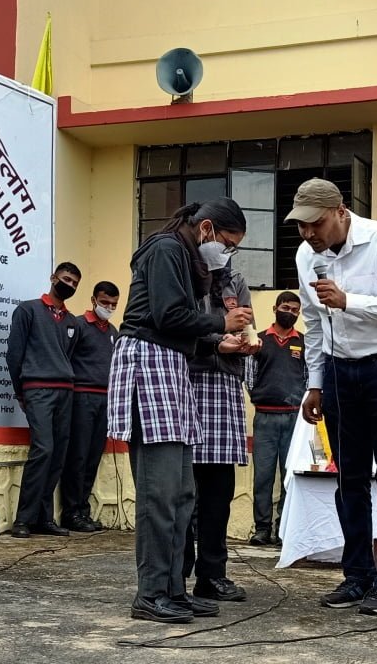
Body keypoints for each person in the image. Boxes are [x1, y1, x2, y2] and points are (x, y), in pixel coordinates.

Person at [107, 198, 252, 624]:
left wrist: (216, 341)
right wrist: (221, 325)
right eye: (227, 243)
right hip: (148, 363)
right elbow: (168, 315)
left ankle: (174, 589)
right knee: (159, 491)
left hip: (173, 366)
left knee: (182, 492)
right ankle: (151, 593)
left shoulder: (187, 257)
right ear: (206, 228)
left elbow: (179, 325)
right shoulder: (166, 248)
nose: (227, 252)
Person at [286, 178, 377, 615]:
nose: (309, 233)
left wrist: (350, 301)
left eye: (316, 223)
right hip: (339, 371)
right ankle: (357, 575)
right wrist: (315, 383)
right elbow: (312, 323)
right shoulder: (306, 255)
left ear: (340, 212)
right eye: (301, 225)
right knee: (349, 479)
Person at [184, 264, 260, 603]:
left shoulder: (236, 281)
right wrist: (217, 342)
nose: (228, 246)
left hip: (226, 384)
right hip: (188, 379)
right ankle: (176, 575)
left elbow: (247, 323)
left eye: (235, 243)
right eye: (225, 240)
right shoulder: (183, 273)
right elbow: (178, 325)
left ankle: (212, 575)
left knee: (219, 491)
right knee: (182, 490)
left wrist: (246, 341)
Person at [6, 262, 82, 539]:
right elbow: (14, 353)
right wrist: (20, 391)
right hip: (37, 388)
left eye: (74, 283)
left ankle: (44, 518)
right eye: (66, 279)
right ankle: (23, 519)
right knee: (43, 450)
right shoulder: (28, 310)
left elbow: (67, 356)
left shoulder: (72, 322)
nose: (69, 285)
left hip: (65, 391)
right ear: (53, 278)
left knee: (58, 454)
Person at [244, 291, 306, 547]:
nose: (289, 313)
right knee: (263, 477)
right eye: (285, 308)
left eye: (295, 310)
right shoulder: (258, 341)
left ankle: (284, 529)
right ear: (275, 308)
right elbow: (249, 376)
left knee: (290, 476)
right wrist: (260, 396)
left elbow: (308, 377)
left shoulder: (303, 343)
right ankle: (262, 528)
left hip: (295, 419)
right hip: (265, 418)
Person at [60, 280, 121, 533]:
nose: (109, 307)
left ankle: (83, 510)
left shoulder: (113, 332)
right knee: (78, 455)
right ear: (94, 299)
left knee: (93, 457)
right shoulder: (78, 325)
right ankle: (71, 512)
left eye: (114, 304)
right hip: (82, 397)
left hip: (105, 399)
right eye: (105, 302)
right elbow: (65, 357)